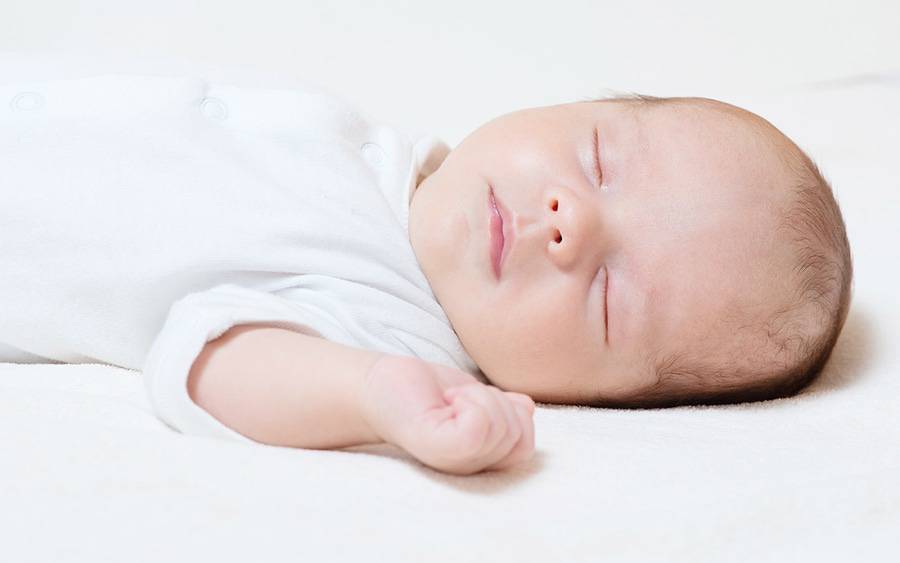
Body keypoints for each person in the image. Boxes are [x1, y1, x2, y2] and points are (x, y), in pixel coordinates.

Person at [0, 71, 852, 476]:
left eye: (605, 297)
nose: (570, 220)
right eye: (595, 159)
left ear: (584, 398)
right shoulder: (390, 158)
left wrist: (370, 391)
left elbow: (211, 356)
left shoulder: (401, 327)